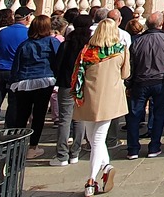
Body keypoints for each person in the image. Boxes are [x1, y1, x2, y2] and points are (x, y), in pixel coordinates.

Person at [73, 18, 131, 197]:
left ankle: (100, 172)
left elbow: (78, 72)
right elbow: (126, 74)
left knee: (93, 138)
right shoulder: (120, 50)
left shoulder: (86, 51)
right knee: (96, 140)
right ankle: (95, 176)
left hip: (88, 99)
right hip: (109, 100)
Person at [128, 14, 164, 159]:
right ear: (161, 24)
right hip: (160, 80)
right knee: (159, 114)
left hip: (141, 80)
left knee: (135, 115)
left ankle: (133, 149)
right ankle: (154, 146)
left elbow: (132, 65)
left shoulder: (137, 41)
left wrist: (129, 83)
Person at [7, 15, 58, 159]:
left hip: (24, 81)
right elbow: (58, 60)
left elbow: (16, 65)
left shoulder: (24, 44)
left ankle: (18, 145)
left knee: (22, 114)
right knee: (39, 114)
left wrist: (13, 82)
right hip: (44, 79)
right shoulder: (52, 42)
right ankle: (33, 146)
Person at [50, 14, 93, 166]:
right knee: (79, 119)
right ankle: (75, 152)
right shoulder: (90, 45)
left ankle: (62, 155)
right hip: (83, 84)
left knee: (65, 119)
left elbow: (57, 65)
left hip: (67, 83)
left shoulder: (67, 44)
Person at [0, 7, 31, 131]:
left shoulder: (2, 32)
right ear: (27, 18)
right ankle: (10, 129)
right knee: (14, 102)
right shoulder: (28, 33)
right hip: (16, 71)